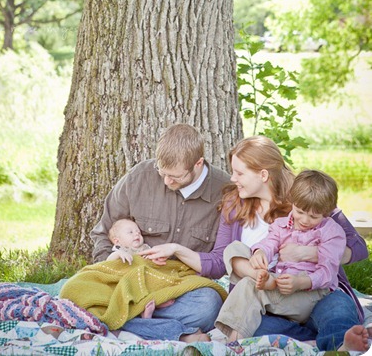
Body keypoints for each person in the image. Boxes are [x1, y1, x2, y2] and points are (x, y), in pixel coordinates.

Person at [141, 135, 369, 351]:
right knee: (248, 324)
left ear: (262, 175)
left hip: (317, 290)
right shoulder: (235, 204)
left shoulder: (306, 200)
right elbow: (221, 261)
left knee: (337, 310)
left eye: (239, 173)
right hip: (269, 299)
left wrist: (307, 253)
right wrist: (177, 250)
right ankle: (315, 339)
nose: (232, 178)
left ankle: (339, 345)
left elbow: (358, 249)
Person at [90, 122, 231, 341]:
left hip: (182, 289)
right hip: (130, 282)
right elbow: (104, 232)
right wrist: (113, 266)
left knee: (209, 305)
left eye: (175, 176)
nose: (167, 181)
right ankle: (179, 334)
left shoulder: (224, 191)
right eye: (162, 172)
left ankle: (117, 323)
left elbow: (219, 262)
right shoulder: (139, 177)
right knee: (78, 290)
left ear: (198, 163)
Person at [214, 169, 347, 341]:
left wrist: (300, 282)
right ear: (292, 201)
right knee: (233, 248)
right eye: (300, 212)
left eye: (313, 216)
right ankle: (258, 274)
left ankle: (234, 342)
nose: (305, 220)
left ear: (327, 212)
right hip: (281, 285)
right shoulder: (281, 225)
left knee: (248, 287)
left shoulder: (332, 232)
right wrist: (260, 253)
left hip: (309, 294)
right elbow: (270, 243)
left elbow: (328, 272)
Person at [106, 217, 175, 318]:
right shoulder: (120, 249)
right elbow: (108, 263)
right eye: (130, 232)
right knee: (132, 290)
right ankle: (143, 311)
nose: (136, 234)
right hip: (129, 279)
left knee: (157, 282)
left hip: (146, 277)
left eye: (138, 232)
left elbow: (153, 261)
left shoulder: (145, 248)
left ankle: (155, 304)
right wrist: (118, 255)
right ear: (117, 241)